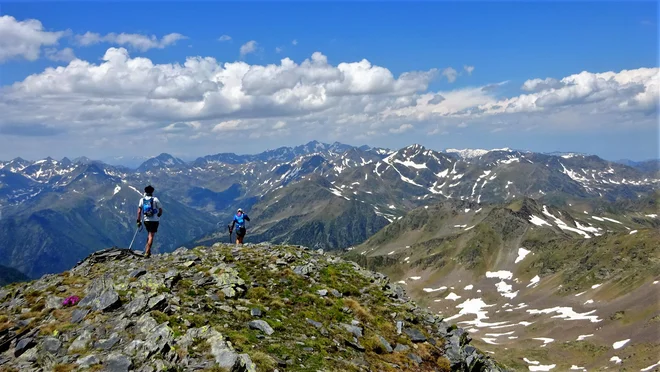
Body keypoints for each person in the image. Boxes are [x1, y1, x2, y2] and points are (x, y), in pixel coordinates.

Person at [136, 185, 163, 258]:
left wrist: (138, 221)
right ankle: (147, 252)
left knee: (149, 234)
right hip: (154, 220)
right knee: (151, 235)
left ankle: (148, 251)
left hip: (146, 220)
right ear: (152, 192)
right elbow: (160, 209)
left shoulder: (142, 200)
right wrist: (159, 214)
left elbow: (139, 211)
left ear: (145, 191)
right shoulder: (155, 199)